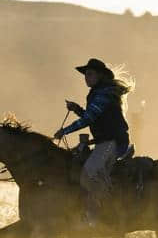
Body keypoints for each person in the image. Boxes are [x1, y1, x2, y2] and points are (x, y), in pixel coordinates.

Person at [54, 58, 132, 227]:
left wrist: (64, 131)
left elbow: (89, 119)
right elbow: (92, 117)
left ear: (100, 76)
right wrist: (77, 110)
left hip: (112, 142)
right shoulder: (101, 93)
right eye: (85, 75)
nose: (86, 78)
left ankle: (97, 215)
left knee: (90, 173)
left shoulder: (102, 94)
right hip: (107, 142)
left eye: (89, 74)